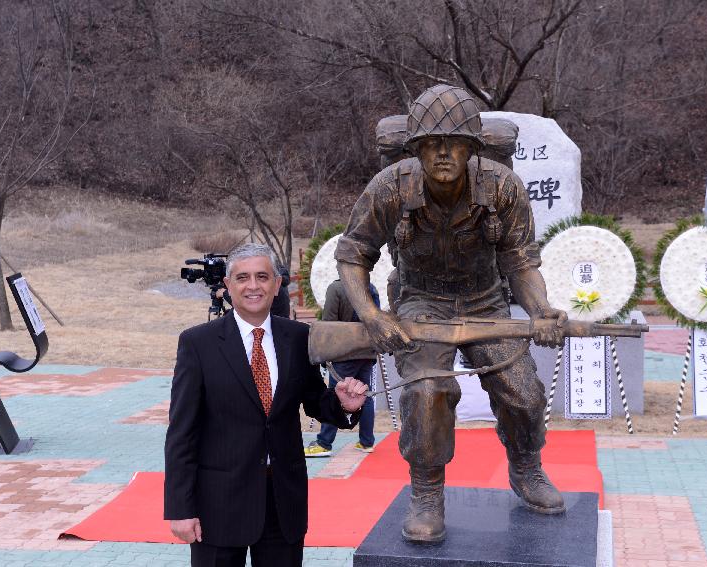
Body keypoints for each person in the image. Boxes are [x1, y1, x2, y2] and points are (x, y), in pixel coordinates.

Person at [335, 84, 568, 544]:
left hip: (486, 301)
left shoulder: (502, 186)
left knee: (522, 392)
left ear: (472, 149)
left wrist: (541, 311)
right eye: (431, 145)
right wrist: (373, 316)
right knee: (426, 393)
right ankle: (426, 491)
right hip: (420, 302)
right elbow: (353, 254)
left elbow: (521, 262)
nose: (443, 154)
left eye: (454, 144)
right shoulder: (390, 187)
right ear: (416, 149)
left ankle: (527, 467)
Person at [164, 243, 368, 566]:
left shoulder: (299, 338)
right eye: (242, 277)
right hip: (219, 505)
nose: (253, 286)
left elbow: (316, 402)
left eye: (262, 276)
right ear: (228, 286)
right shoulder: (197, 344)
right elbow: (181, 434)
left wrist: (344, 404)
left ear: (276, 285)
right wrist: (180, 509)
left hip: (282, 503)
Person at [304, 279, 380, 457]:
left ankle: (324, 443)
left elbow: (329, 324)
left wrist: (325, 353)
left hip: (344, 352)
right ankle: (366, 441)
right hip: (367, 350)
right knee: (365, 395)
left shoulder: (336, 288)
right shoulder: (371, 287)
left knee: (335, 395)